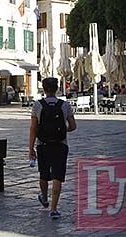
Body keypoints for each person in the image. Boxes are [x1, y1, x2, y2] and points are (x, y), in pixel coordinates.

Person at [29, 77, 76, 219]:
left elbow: (33, 128)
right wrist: (62, 130)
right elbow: (73, 126)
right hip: (60, 145)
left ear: (44, 89)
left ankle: (44, 198)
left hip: (42, 145)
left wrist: (30, 148)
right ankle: (54, 209)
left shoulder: (37, 105)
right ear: (57, 89)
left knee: (43, 174)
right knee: (57, 176)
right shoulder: (65, 105)